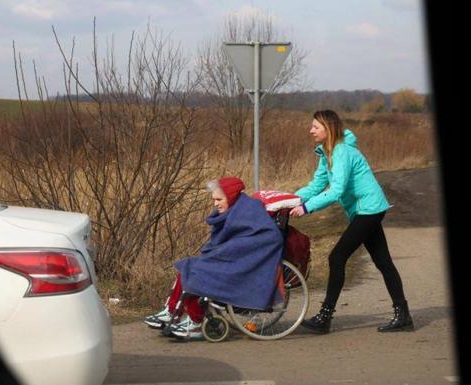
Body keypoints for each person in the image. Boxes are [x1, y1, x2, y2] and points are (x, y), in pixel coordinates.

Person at [289, 110, 413, 334]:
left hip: (369, 209)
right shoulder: (326, 152)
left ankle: (325, 317)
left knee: (337, 256)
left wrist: (306, 208)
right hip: (365, 210)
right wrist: (289, 200)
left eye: (315, 127)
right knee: (383, 262)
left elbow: (336, 190)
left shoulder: (342, 152)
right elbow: (316, 185)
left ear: (328, 129)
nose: (311, 130)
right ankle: (403, 315)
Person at [144, 176, 284, 339]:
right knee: (188, 266)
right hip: (235, 258)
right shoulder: (234, 209)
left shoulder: (248, 210)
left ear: (230, 196)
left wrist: (227, 252)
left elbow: (261, 238)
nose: (215, 204)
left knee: (199, 271)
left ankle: (195, 322)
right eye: (214, 199)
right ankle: (172, 310)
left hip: (248, 261)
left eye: (219, 199)